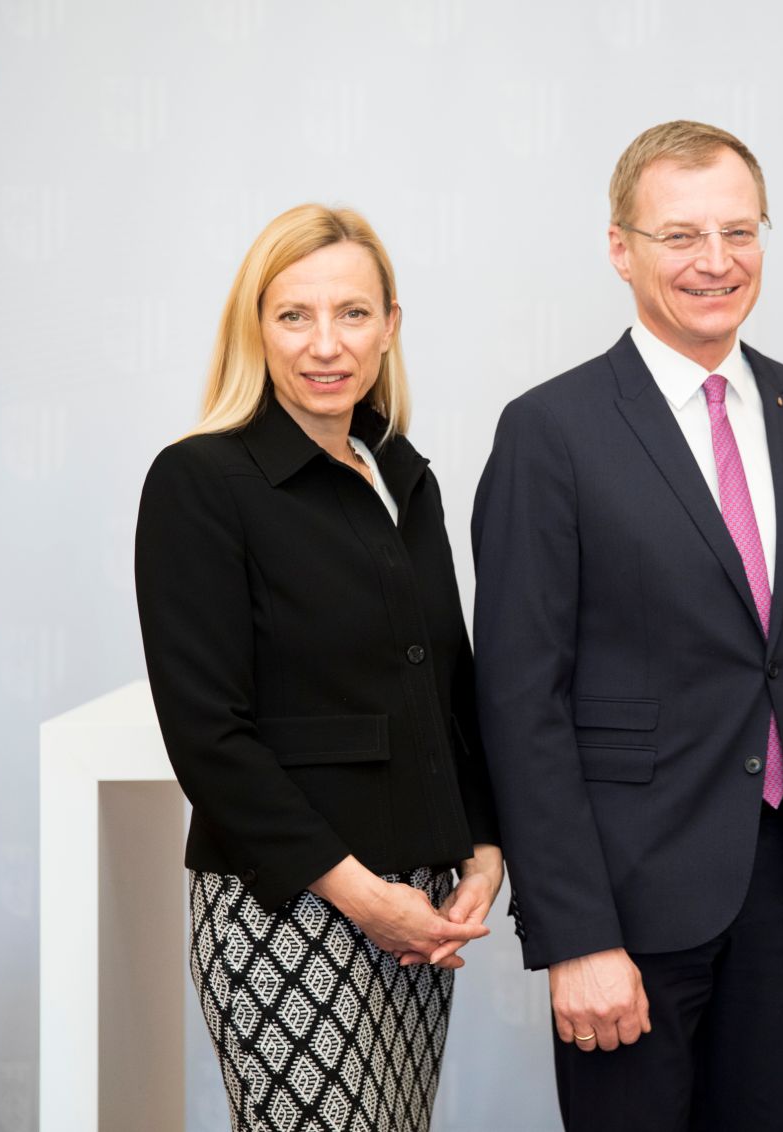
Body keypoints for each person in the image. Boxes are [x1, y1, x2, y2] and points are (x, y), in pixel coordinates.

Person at [471, 120, 783, 1131]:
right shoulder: (548, 431)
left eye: (738, 231)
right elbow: (518, 700)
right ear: (619, 248)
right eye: (679, 236)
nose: (714, 262)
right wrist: (574, 933)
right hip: (626, 898)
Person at [134, 204, 502, 1132]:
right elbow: (209, 738)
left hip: (416, 908)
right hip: (285, 909)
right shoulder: (199, 482)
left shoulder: (401, 474)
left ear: (391, 325)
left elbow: (447, 684)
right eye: (294, 314)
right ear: (254, 327)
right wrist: (359, 895)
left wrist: (487, 847)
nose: (325, 345)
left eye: (353, 313)